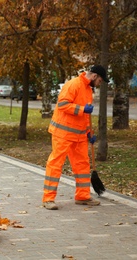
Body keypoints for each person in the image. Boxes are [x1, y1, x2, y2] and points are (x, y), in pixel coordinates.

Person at [42, 65, 109, 210]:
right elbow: (62, 104)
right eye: (100, 81)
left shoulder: (88, 90)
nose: (100, 84)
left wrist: (88, 132)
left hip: (79, 135)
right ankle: (48, 199)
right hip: (63, 133)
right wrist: (82, 109)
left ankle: (82, 196)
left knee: (83, 165)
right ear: (94, 76)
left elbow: (86, 117)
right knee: (55, 164)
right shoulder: (73, 84)